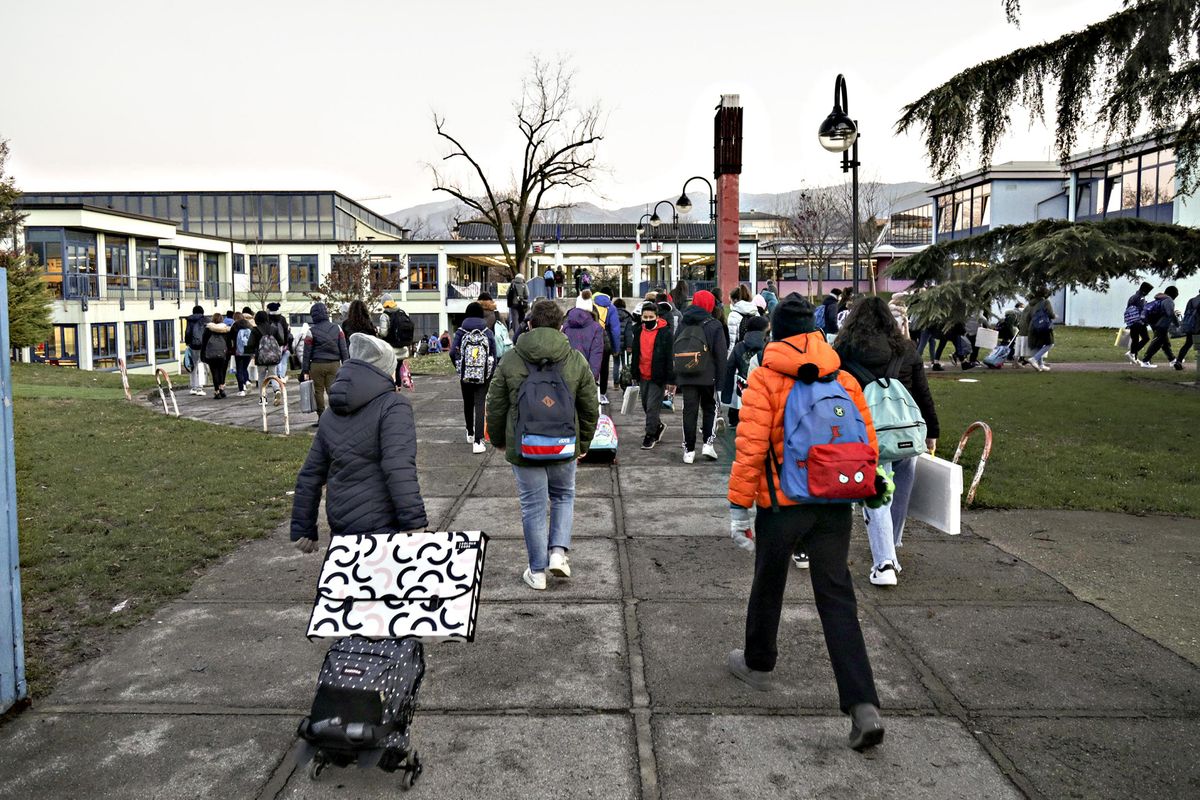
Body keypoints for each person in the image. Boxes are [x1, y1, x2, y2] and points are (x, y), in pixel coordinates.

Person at [725, 292, 885, 752]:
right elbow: (865, 440)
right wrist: (868, 488)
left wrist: (739, 508)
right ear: (814, 331)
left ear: (775, 331)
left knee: (768, 583)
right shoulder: (843, 376)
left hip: (783, 505)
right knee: (837, 598)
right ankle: (863, 705)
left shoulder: (765, 378)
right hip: (835, 502)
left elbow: (750, 448)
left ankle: (758, 664)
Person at [485, 300, 599, 590]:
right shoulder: (574, 359)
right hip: (563, 445)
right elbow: (589, 408)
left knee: (533, 507)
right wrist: (583, 442)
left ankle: (536, 573)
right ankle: (558, 553)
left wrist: (499, 440)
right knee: (563, 496)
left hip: (525, 447)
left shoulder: (511, 359)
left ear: (530, 324)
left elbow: (496, 406)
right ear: (561, 326)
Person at [290, 332, 427, 554]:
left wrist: (303, 527)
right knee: (387, 586)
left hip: (342, 525)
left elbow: (311, 474)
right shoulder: (393, 406)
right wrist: (414, 522)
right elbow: (398, 466)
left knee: (350, 587)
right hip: (384, 526)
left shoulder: (331, 413)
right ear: (385, 370)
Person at [835, 296, 940, 587]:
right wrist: (932, 432)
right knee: (900, 491)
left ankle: (884, 563)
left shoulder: (844, 351)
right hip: (906, 433)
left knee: (876, 493)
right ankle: (891, 545)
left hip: (866, 433)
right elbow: (923, 394)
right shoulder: (906, 350)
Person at [674, 289, 727, 463]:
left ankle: (688, 451)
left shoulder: (683, 322)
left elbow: (675, 346)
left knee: (689, 411)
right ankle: (708, 444)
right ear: (711, 304)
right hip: (708, 374)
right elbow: (721, 355)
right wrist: (720, 382)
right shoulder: (714, 325)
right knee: (709, 408)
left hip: (686, 374)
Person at [450, 302, 498, 454]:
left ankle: (470, 433)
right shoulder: (487, 332)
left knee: (468, 403)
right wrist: (490, 371)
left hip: (465, 375)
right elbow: (494, 354)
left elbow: (452, 352)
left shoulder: (460, 331)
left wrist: (460, 368)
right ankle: (478, 441)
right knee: (480, 404)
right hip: (483, 375)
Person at [633, 301, 674, 449]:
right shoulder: (638, 331)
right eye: (645, 317)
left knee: (652, 407)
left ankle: (650, 435)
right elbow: (636, 354)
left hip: (658, 376)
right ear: (642, 317)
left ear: (657, 317)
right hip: (643, 374)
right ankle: (657, 425)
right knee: (645, 405)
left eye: (651, 317)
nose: (648, 320)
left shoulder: (666, 333)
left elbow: (670, 356)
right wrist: (633, 373)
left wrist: (671, 379)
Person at [300, 302, 350, 423]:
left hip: (316, 365)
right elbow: (343, 349)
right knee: (332, 391)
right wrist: (347, 365)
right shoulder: (337, 328)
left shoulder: (310, 331)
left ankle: (321, 417)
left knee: (318, 391)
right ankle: (335, 416)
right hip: (334, 365)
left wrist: (305, 370)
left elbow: (306, 353)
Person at [721, 315, 768, 428]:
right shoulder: (769, 346)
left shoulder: (739, 346)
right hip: (765, 391)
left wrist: (726, 396)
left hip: (743, 391)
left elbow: (729, 369)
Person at [246, 310, 287, 406]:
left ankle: (263, 398)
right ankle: (277, 390)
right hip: (273, 357)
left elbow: (250, 344)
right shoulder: (274, 329)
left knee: (261, 377)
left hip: (261, 358)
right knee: (273, 375)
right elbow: (281, 341)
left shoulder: (255, 330)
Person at [592, 291, 623, 407]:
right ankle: (603, 394)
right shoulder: (611, 307)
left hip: (589, 339)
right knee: (604, 368)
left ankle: (590, 392)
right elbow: (615, 330)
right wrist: (616, 348)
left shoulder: (590, 304)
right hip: (604, 341)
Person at [562, 301, 604, 384]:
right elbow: (596, 354)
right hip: (586, 376)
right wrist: (592, 378)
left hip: (565, 376)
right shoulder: (596, 328)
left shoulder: (565, 326)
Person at [378, 293, 414, 386]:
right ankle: (398, 388)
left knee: (391, 371)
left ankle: (393, 390)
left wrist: (378, 332)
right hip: (403, 347)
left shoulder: (385, 315)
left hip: (391, 348)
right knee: (398, 369)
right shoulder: (402, 312)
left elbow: (383, 333)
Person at [1141, 286, 1180, 368]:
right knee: (1157, 343)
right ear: (1173, 293)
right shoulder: (1168, 300)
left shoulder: (1160, 298)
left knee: (1165, 343)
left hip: (1155, 323)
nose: (1177, 295)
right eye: (1176, 293)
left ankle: (1172, 360)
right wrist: (1177, 324)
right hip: (1162, 325)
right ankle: (1145, 361)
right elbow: (1170, 313)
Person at [199, 312, 232, 399]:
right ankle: (222, 389)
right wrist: (229, 354)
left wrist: (203, 355)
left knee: (214, 372)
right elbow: (229, 344)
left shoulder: (208, 329)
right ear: (221, 319)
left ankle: (217, 391)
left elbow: (204, 343)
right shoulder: (225, 330)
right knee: (222, 371)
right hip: (223, 354)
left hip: (211, 354)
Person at [1023, 293, 1057, 371]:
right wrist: (1054, 316)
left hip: (1033, 327)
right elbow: (1050, 314)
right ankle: (1034, 359)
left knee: (1039, 345)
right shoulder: (1045, 302)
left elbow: (1027, 318)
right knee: (1050, 344)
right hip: (1043, 326)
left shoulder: (1030, 305)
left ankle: (1041, 365)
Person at [1123, 282, 1155, 365]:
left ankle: (1134, 358)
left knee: (1135, 339)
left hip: (1131, 321)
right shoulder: (1141, 298)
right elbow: (1142, 310)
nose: (1148, 293)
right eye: (1148, 291)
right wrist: (1146, 321)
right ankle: (1132, 353)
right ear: (1145, 290)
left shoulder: (1132, 297)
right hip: (1139, 321)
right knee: (1146, 338)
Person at [183, 304, 208, 396]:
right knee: (201, 366)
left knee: (193, 366)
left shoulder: (190, 320)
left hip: (193, 346)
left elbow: (188, 332)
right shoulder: (205, 320)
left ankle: (193, 387)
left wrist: (187, 342)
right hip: (202, 346)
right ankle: (200, 387)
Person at [266, 302, 293, 382]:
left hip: (270, 343)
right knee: (281, 361)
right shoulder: (282, 318)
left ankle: (275, 377)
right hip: (281, 343)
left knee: (274, 361)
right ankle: (281, 376)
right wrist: (285, 342)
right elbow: (286, 331)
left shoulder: (268, 319)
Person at [1174, 288, 1200, 370]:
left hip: (1190, 325)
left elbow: (1186, 313)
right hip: (1198, 326)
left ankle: (1178, 361)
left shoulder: (1191, 300)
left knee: (1187, 344)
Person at [230, 311, 254, 396]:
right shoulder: (249, 325)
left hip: (239, 351)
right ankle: (247, 381)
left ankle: (241, 389)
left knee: (239, 369)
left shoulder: (235, 326)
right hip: (249, 350)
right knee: (245, 368)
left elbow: (231, 338)